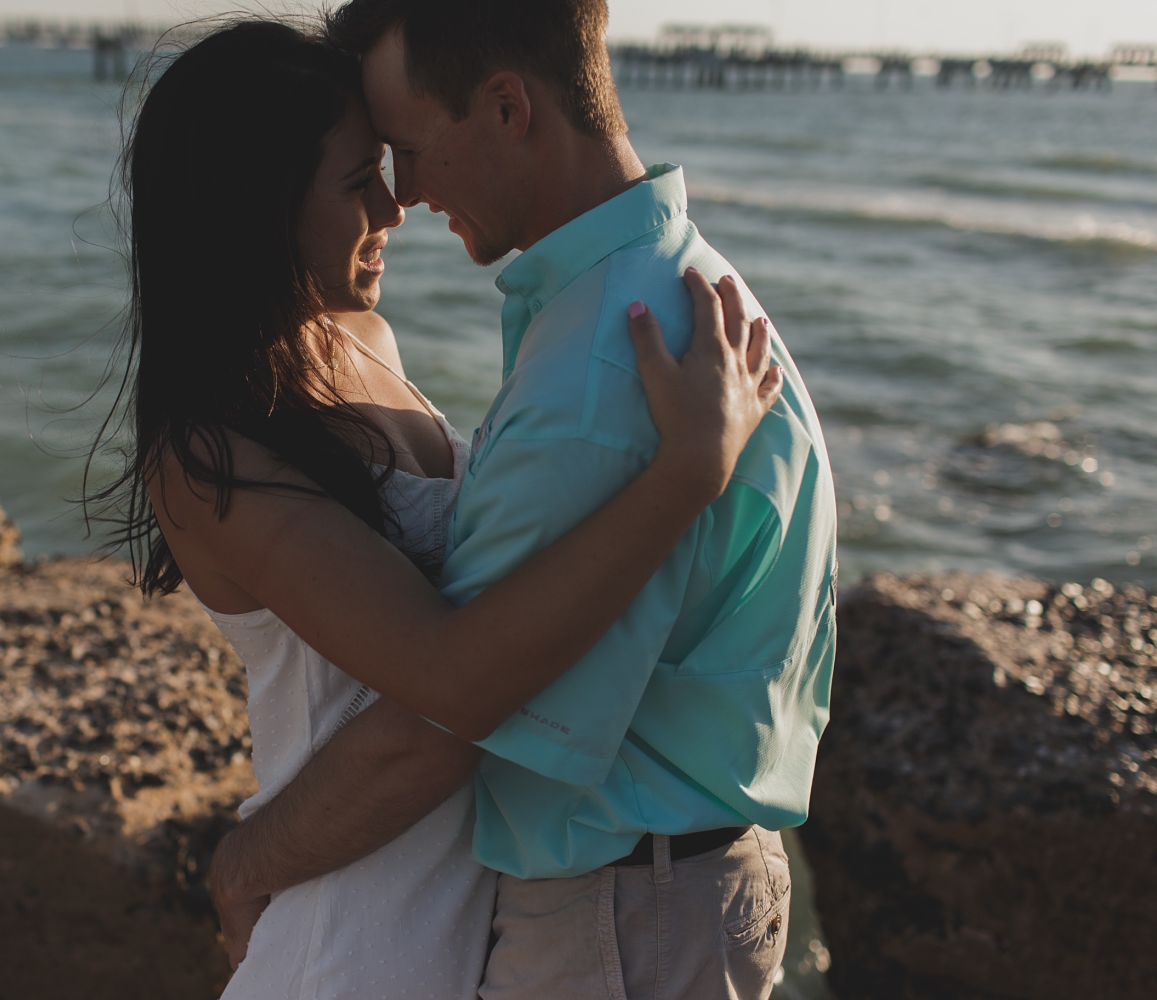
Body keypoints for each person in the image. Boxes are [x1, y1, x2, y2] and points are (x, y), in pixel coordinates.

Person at [90, 17, 783, 1000]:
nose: (396, 201)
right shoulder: (212, 455)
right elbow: (452, 684)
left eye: (390, 163)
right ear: (256, 210)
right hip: (359, 941)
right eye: (357, 181)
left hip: (489, 916)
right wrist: (685, 475)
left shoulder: (368, 339)